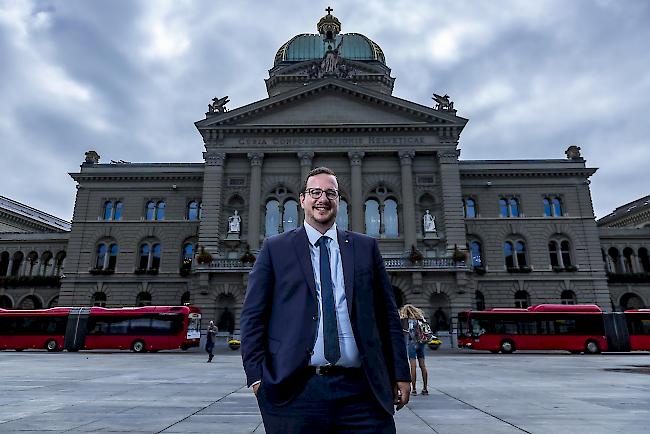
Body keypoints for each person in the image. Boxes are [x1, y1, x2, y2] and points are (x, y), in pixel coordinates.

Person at [241, 167, 411, 434]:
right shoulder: (275, 248)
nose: (322, 199)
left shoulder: (365, 247)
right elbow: (252, 317)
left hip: (362, 390)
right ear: (302, 200)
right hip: (296, 390)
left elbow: (387, 315)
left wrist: (401, 372)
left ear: (339, 200)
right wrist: (257, 377)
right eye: (315, 192)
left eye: (330, 193)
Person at [399, 304, 429, 396]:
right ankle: (425, 388)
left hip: (412, 343)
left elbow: (404, 331)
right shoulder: (421, 318)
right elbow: (426, 331)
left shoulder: (406, 320)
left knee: (413, 367)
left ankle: (414, 389)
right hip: (421, 343)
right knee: (423, 366)